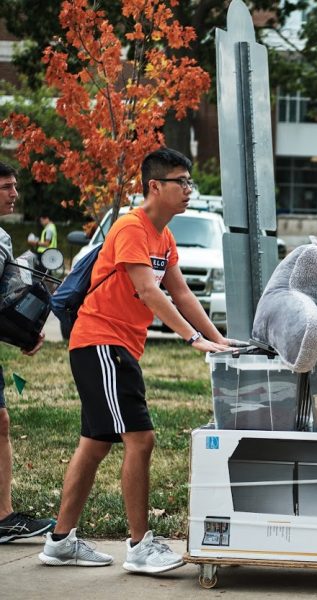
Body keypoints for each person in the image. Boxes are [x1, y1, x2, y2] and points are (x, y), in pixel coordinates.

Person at [39, 148, 231, 573]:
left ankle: (60, 541)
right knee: (140, 439)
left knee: (95, 443)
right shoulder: (131, 227)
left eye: (189, 182)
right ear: (154, 187)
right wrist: (191, 338)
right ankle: (141, 546)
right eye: (180, 182)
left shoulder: (164, 237)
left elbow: (180, 292)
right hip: (102, 343)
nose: (187, 190)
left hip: (114, 346)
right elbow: (149, 290)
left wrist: (220, 339)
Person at [0, 161, 56, 544]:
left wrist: (24, 332)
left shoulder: (3, 238)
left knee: (0, 423)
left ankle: (3, 517)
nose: (14, 193)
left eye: (14, 186)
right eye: (6, 186)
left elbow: (6, 299)